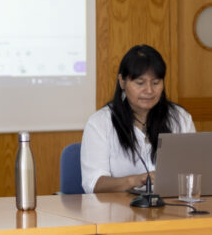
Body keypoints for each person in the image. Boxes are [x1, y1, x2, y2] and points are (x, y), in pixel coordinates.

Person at [81, 45, 195, 193]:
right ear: (122, 82)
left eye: (156, 83)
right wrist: (135, 180)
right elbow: (93, 184)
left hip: (171, 208)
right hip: (118, 211)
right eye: (140, 83)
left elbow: (194, 172)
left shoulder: (180, 118)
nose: (149, 90)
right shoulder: (100, 123)